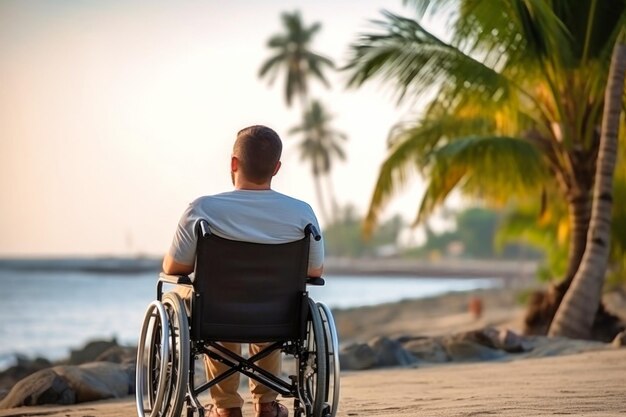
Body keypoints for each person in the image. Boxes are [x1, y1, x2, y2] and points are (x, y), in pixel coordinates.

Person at [162, 125, 324, 417]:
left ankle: (225, 408)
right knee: (276, 301)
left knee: (204, 296)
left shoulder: (202, 209)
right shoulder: (302, 213)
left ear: (234, 163)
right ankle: (266, 405)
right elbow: (314, 270)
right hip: (277, 316)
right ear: (276, 168)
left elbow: (175, 267)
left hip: (216, 314)